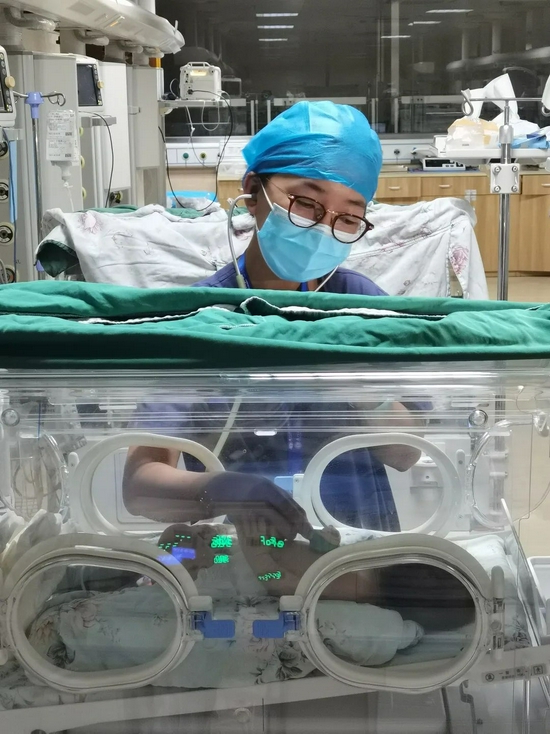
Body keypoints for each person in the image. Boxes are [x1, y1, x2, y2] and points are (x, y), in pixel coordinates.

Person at [123, 101, 427, 543]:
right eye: (306, 203)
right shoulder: (204, 317)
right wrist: (228, 491)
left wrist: (358, 386)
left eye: (348, 217)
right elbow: (139, 488)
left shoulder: (361, 305)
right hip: (240, 548)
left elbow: (405, 454)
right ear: (253, 191)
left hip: (356, 546)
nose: (322, 228)